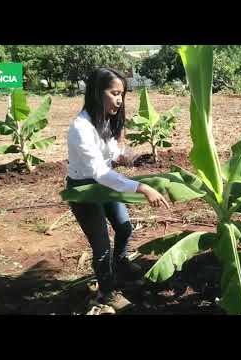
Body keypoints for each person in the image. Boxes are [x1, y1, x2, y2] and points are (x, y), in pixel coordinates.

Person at [66, 68, 169, 313]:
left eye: (122, 94)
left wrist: (132, 157)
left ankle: (121, 262)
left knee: (124, 226)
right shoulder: (80, 127)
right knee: (102, 245)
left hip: (105, 185)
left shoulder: (106, 120)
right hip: (85, 190)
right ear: (96, 93)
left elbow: (114, 155)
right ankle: (106, 292)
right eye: (114, 93)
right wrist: (141, 187)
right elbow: (99, 172)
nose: (120, 99)